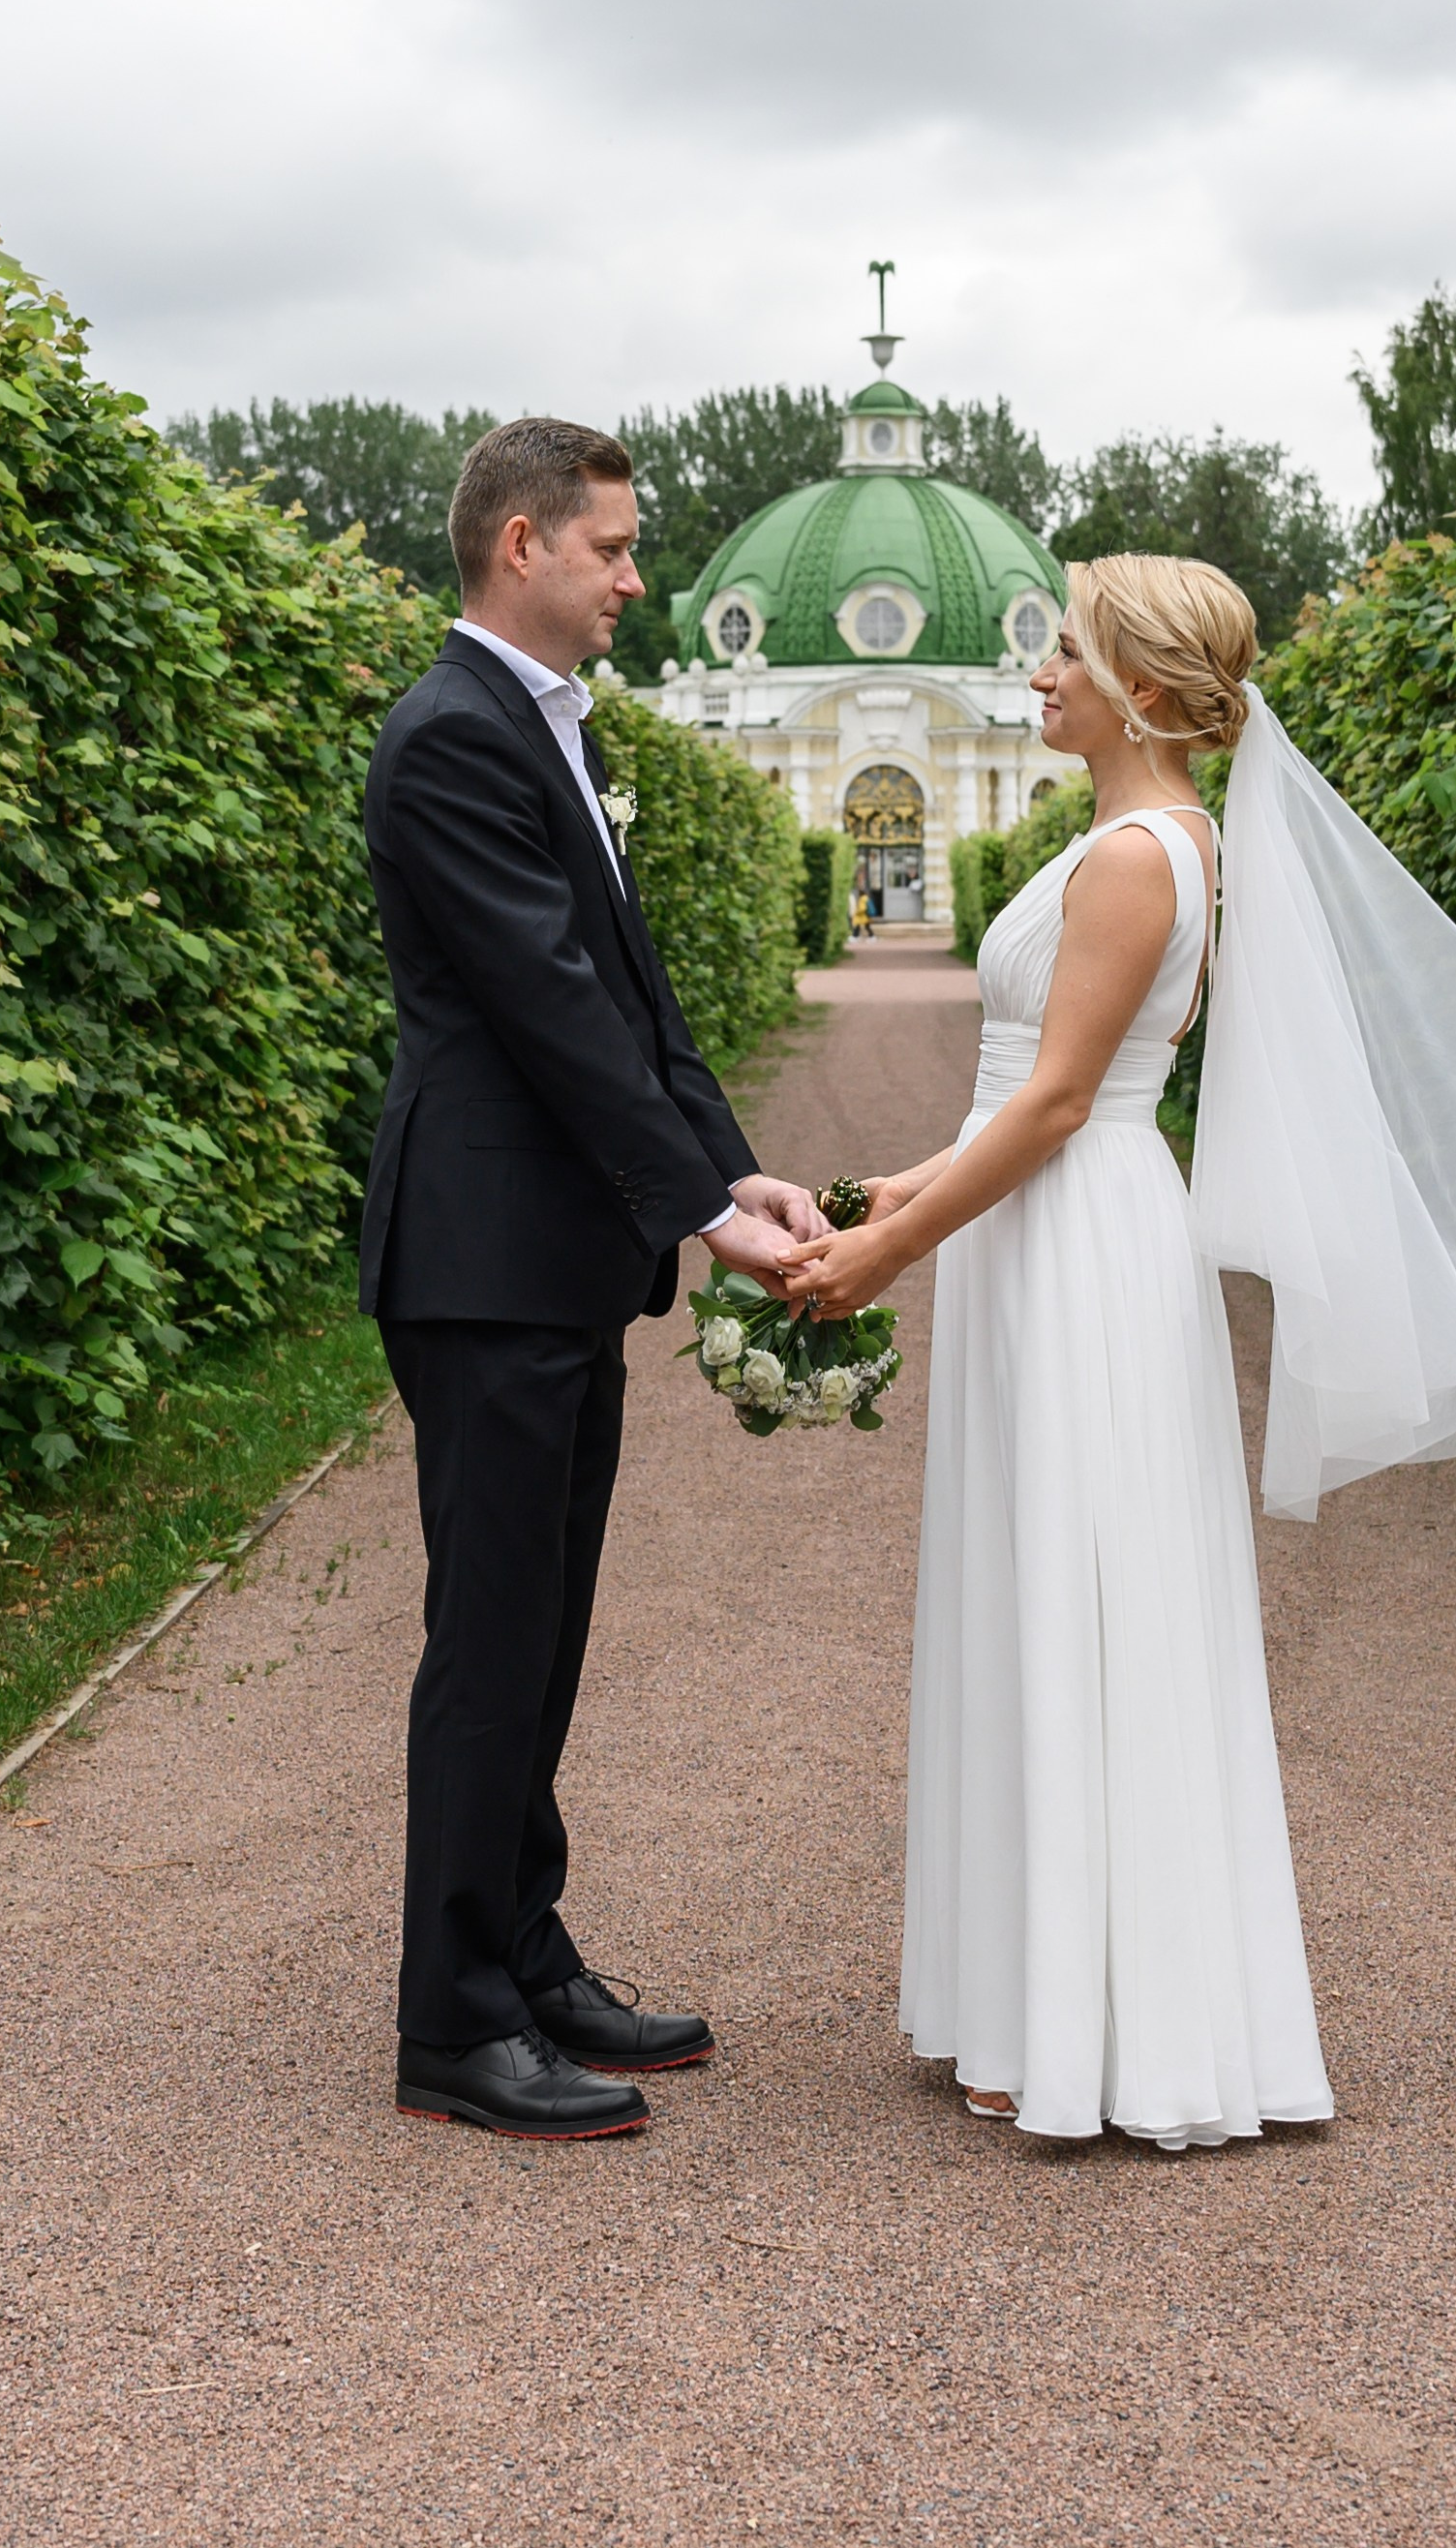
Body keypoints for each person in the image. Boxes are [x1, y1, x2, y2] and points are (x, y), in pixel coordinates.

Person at [788, 555, 1456, 2148]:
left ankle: (1102, 2027)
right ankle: (1039, 1997)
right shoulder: (1140, 840)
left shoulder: (1142, 856)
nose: (1040, 671)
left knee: (1087, 1583)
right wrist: (881, 1199)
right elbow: (1018, 1095)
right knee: (1045, 1579)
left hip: (1080, 1233)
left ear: (1145, 694)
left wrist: (892, 1252)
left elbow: (1060, 1105)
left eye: (1067, 651)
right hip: (1044, 1221)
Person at [361, 416, 829, 2141]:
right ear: (522, 546)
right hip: (484, 1256)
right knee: (490, 1641)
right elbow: (549, 1010)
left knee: (541, 1631)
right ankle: (453, 2020)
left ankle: (527, 1952)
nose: (637, 579)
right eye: (614, 548)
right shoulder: (450, 737)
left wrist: (730, 1164)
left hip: (555, 1257)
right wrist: (701, 1213)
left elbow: (631, 996)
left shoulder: (548, 725)